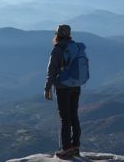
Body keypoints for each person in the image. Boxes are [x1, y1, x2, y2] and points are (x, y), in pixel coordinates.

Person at [44, 24, 81, 158]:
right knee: (74, 116)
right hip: (76, 86)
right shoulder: (75, 47)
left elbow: (51, 70)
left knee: (65, 119)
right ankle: (76, 147)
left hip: (63, 87)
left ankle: (66, 149)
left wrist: (47, 88)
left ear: (57, 34)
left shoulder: (57, 49)